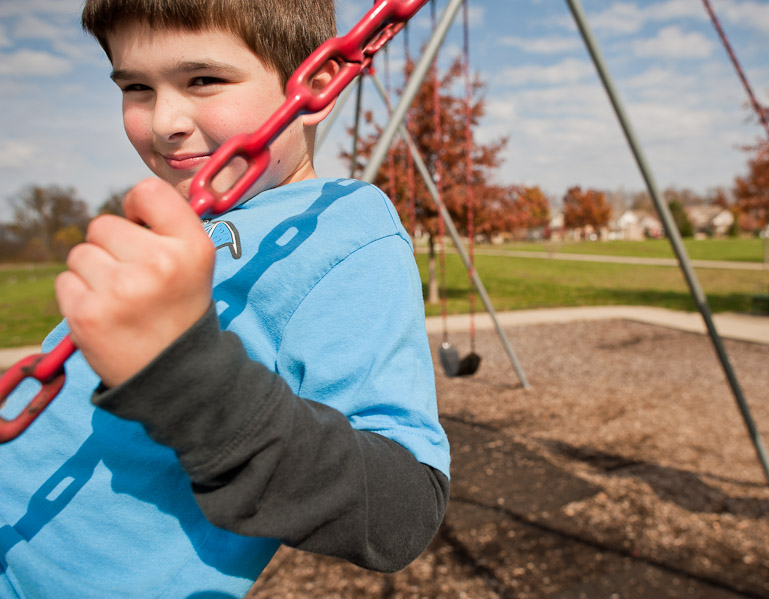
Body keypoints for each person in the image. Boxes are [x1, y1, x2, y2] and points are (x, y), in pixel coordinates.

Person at [0, 1, 450, 597]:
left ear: (319, 84)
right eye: (136, 87)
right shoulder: (173, 226)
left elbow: (405, 510)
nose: (164, 121)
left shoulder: (345, 231)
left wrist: (183, 375)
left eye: (203, 80)